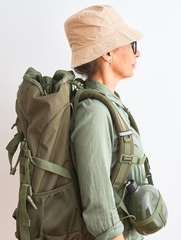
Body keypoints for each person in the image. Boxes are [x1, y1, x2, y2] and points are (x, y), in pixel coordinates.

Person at [64, 5, 147, 240]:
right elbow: (99, 206)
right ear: (107, 53)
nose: (137, 53)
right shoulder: (94, 112)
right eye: (132, 45)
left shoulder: (109, 104)